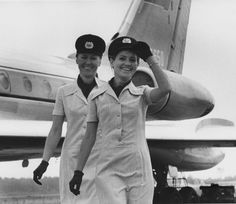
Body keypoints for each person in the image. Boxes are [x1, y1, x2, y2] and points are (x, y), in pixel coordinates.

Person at [69, 36, 171, 203]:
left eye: (133, 60)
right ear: (111, 61)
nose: (127, 63)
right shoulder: (96, 96)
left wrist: (150, 59)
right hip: (109, 170)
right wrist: (78, 171)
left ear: (138, 64)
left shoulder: (142, 94)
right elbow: (89, 136)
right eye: (122, 58)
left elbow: (166, 88)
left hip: (138, 171)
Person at [33, 34, 106, 204]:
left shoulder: (107, 90)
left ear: (100, 61)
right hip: (72, 160)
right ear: (77, 59)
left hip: (101, 159)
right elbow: (56, 130)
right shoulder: (64, 92)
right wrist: (44, 161)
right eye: (84, 57)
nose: (88, 62)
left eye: (93, 58)